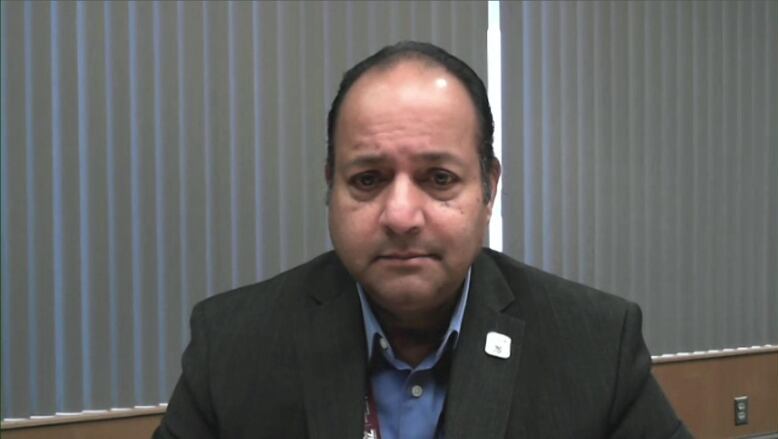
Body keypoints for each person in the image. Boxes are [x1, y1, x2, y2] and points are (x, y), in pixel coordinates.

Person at [154, 41, 690, 439]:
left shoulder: (596, 347)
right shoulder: (230, 347)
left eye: (439, 179)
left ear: (489, 189)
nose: (402, 215)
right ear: (330, 188)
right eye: (368, 179)